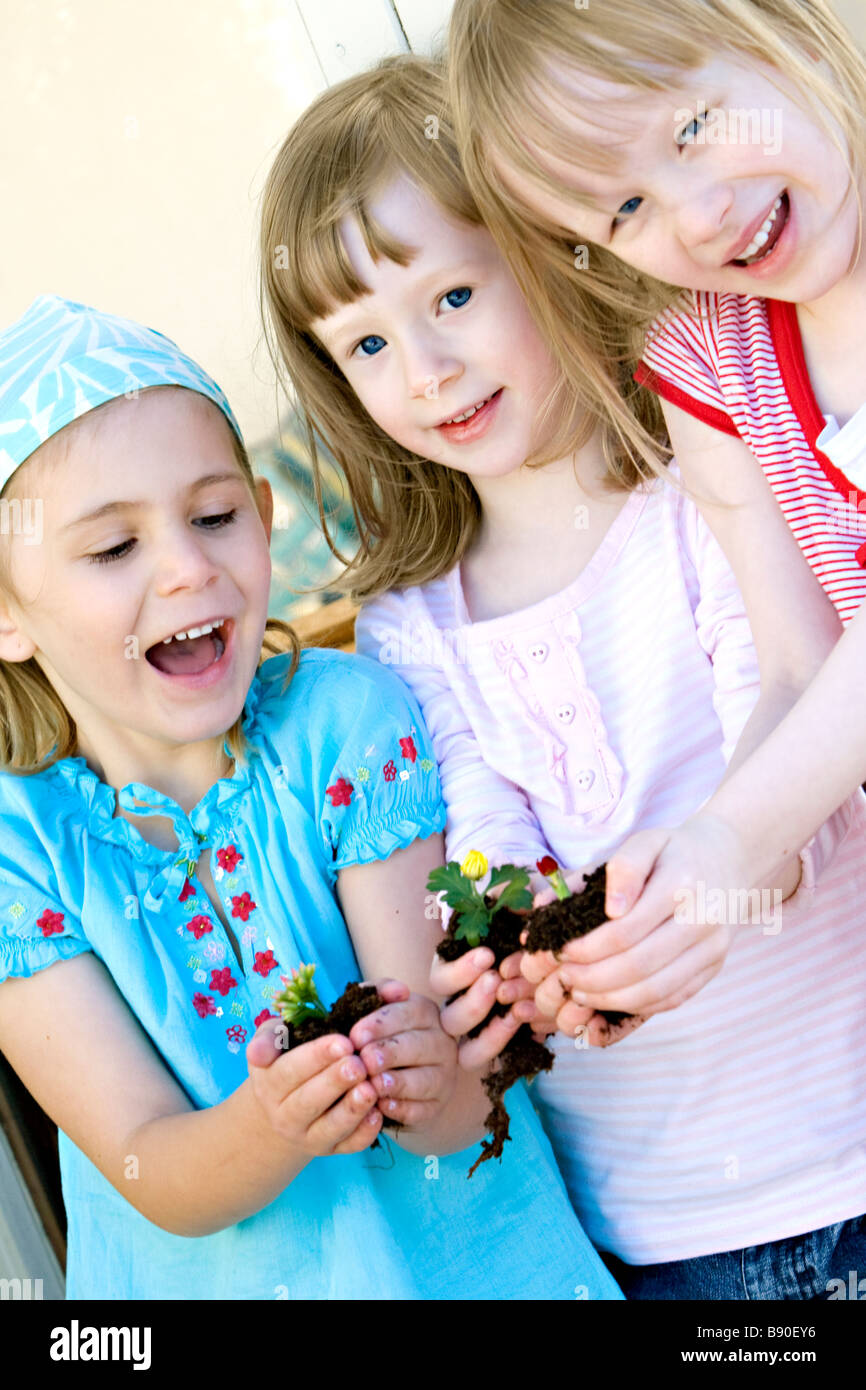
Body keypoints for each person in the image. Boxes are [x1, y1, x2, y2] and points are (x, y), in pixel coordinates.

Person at [258, 51, 866, 1299]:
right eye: (366, 341)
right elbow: (480, 850)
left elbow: (793, 709)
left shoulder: (695, 480)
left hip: (847, 1134)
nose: (423, 369)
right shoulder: (405, 626)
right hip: (663, 1217)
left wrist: (714, 874)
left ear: (547, 250)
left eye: (452, 297)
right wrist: (520, 961)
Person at [0, 294, 622, 1301]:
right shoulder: (19, 842)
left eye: (213, 516)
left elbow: (462, 1103)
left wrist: (432, 1070)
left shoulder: (344, 724)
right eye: (113, 549)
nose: (187, 566)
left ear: (260, 510)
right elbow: (148, 1166)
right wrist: (269, 1122)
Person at [446, 0, 866, 1030]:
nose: (693, 214)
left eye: (689, 129)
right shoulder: (710, 360)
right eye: (623, 209)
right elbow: (798, 671)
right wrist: (685, 898)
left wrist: (732, 838)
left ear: (788, 28)